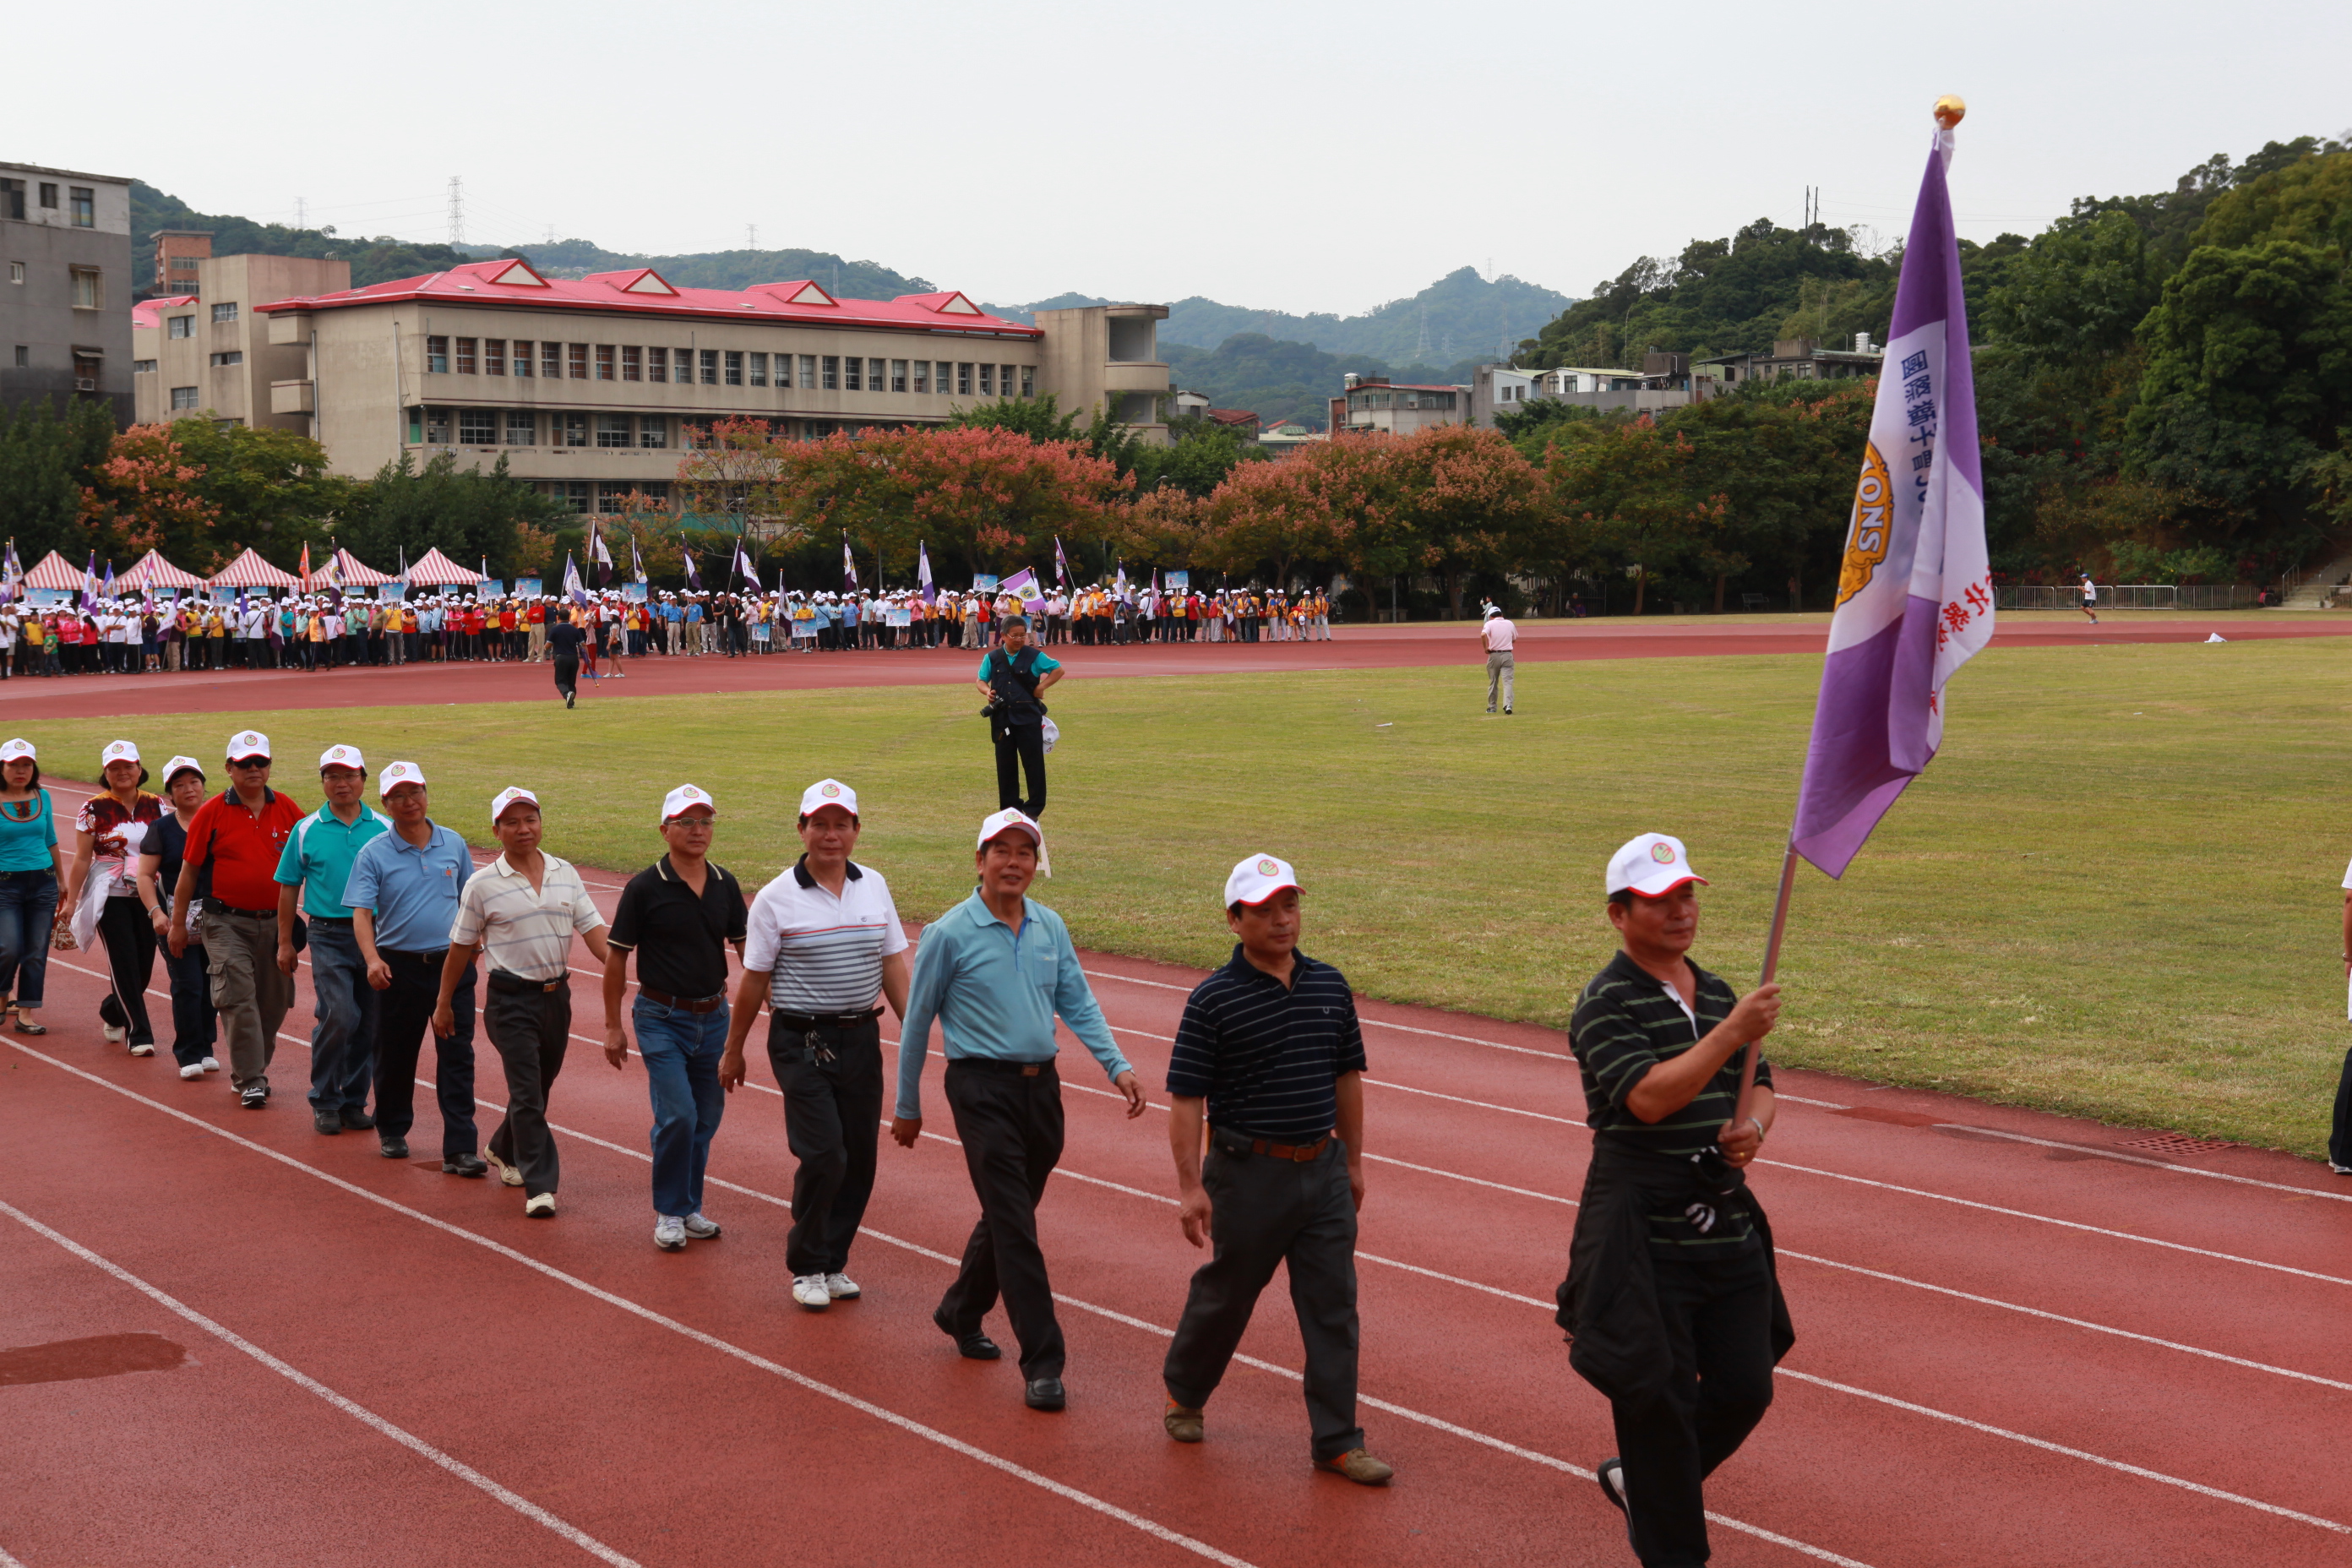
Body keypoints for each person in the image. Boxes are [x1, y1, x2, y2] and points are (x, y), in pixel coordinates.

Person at [1559, 833, 1791, 1568]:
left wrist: (1753, 1128)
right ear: (1618, 915)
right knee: (1655, 1404)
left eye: (1687, 895)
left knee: (1746, 1387)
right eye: (1660, 901)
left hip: (1721, 1220)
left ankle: (1643, 1483)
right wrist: (1731, 1034)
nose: (1681, 911)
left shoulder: (1718, 992)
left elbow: (1762, 1085)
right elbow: (1650, 1099)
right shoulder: (1604, 1002)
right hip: (1640, 1232)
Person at [894, 808, 1143, 1411]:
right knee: (1016, 1226)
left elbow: (1077, 1001)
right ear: (979, 861)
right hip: (980, 1089)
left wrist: (1117, 1066)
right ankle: (1044, 1361)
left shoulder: (1049, 926)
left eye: (1024, 852)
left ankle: (960, 1308)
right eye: (1000, 851)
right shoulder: (949, 933)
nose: (1013, 862)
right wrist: (907, 1104)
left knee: (1010, 1214)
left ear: (1036, 864)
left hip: (1042, 1090)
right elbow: (917, 1022)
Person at [1162, 854, 1391, 1484]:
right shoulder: (1213, 999)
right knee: (1228, 1296)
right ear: (1234, 920)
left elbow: (1347, 1077)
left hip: (1323, 1170)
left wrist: (1353, 1162)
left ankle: (1337, 1441)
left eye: (1290, 906)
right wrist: (1190, 1187)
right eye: (1265, 911)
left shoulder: (1329, 985)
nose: (1282, 920)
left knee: (1333, 1307)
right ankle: (1186, 1392)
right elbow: (1187, 1099)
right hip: (1247, 1176)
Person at [722, 779, 910, 1309]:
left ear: (857, 830)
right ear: (801, 829)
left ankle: (832, 1261)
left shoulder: (874, 885)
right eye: (820, 825)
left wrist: (915, 1031)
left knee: (860, 1159)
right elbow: (754, 980)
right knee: (825, 1152)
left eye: (841, 825)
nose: (831, 835)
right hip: (801, 1041)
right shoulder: (775, 898)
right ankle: (807, 1264)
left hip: (861, 1038)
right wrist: (734, 1049)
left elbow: (892, 964)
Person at [438, 787, 610, 1217]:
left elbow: (595, 934)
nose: (523, 829)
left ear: (540, 823)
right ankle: (541, 1186)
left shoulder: (565, 872)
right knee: (528, 1093)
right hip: (509, 1002)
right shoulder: (481, 884)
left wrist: (625, 969)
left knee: (538, 1088)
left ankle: (502, 1146)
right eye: (511, 822)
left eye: (530, 819)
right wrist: (443, 1002)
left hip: (557, 999)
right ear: (496, 831)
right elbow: (460, 948)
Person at [604, 784, 747, 1251]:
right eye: (686, 822)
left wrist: (774, 998)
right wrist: (612, 1026)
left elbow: (748, 951)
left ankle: (688, 1207)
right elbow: (617, 957)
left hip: (714, 1016)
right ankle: (668, 1210)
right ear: (665, 830)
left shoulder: (725, 883)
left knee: (705, 1118)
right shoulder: (644, 888)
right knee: (679, 1115)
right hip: (660, 1017)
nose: (697, 830)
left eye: (705, 821)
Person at [345, 761, 485, 1173]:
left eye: (416, 792)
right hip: (398, 969)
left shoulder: (453, 843)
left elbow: (470, 900)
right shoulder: (373, 853)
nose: (410, 802)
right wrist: (372, 959)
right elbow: (361, 913)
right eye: (399, 796)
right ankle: (392, 1128)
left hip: (450, 968)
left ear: (426, 793)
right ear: (385, 803)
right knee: (395, 1054)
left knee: (457, 1058)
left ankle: (460, 1148)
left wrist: (474, 946)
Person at [172, 732, 305, 1108]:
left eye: (260, 762)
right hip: (225, 923)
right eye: (245, 764)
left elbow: (313, 863)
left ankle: (251, 1070)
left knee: (274, 1005)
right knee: (238, 999)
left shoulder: (289, 810)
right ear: (229, 768)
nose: (253, 769)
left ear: (269, 766)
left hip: (277, 925)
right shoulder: (211, 812)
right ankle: (251, 1080)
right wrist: (178, 924)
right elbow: (188, 872)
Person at [275, 744, 390, 1136]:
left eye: (349, 776)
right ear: (323, 782)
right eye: (333, 776)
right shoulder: (306, 829)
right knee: (340, 1014)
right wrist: (285, 942)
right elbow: (289, 886)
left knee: (369, 1022)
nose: (342, 784)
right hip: (328, 934)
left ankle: (353, 1101)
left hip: (376, 935)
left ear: (364, 779)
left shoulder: (385, 828)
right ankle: (325, 1099)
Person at [68, 740, 166, 1056]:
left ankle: (112, 1011)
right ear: (105, 772)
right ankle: (139, 1034)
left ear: (139, 768)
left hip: (148, 894)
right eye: (114, 768)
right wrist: (71, 901)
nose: (122, 772)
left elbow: (167, 848)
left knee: (144, 967)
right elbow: (82, 858)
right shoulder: (93, 808)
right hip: (109, 893)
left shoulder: (157, 805)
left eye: (128, 766)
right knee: (124, 962)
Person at [135, 756, 219, 1080]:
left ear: (203, 786)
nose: (188, 789)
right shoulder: (161, 829)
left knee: (212, 984)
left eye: (194, 782)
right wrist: (156, 913)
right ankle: (188, 1054)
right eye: (179, 785)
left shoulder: (218, 821)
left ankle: (207, 1047)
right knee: (188, 985)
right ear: (170, 794)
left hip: (217, 919)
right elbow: (145, 876)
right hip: (175, 920)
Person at [0, 738, 65, 1035]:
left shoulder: (43, 796)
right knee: (8, 947)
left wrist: (62, 879)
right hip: (5, 885)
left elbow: (50, 839)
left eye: (27, 764)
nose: (21, 770)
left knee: (36, 951)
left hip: (43, 882)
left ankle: (26, 1013)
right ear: (2, 768)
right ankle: (3, 994)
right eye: (14, 765)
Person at [977, 617, 1063, 819]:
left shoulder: (1034, 656)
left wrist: (1041, 687)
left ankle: (1033, 809)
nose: (1019, 639)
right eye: (1014, 635)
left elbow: (1058, 670)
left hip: (1028, 718)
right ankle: (1010, 808)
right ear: (1003, 636)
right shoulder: (992, 657)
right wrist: (987, 691)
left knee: (1034, 764)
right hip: (1002, 719)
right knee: (1005, 765)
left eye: (1022, 635)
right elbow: (981, 680)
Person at [1481, 604, 1517, 716]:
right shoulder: (1510, 623)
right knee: (1508, 682)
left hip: (1494, 655)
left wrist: (1485, 648)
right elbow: (1514, 639)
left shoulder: (1489, 624)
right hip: (1507, 654)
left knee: (1493, 681)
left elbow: (1483, 635)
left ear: (1490, 616)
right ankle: (1508, 705)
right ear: (1501, 614)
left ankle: (1492, 707)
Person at [547, 607, 586, 708]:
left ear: (558, 618)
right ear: (569, 617)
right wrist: (588, 658)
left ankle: (566, 694)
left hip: (561, 657)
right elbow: (583, 644)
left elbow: (548, 645)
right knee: (571, 682)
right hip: (574, 658)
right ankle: (571, 702)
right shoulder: (574, 629)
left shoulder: (555, 629)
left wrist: (544, 648)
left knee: (560, 681)